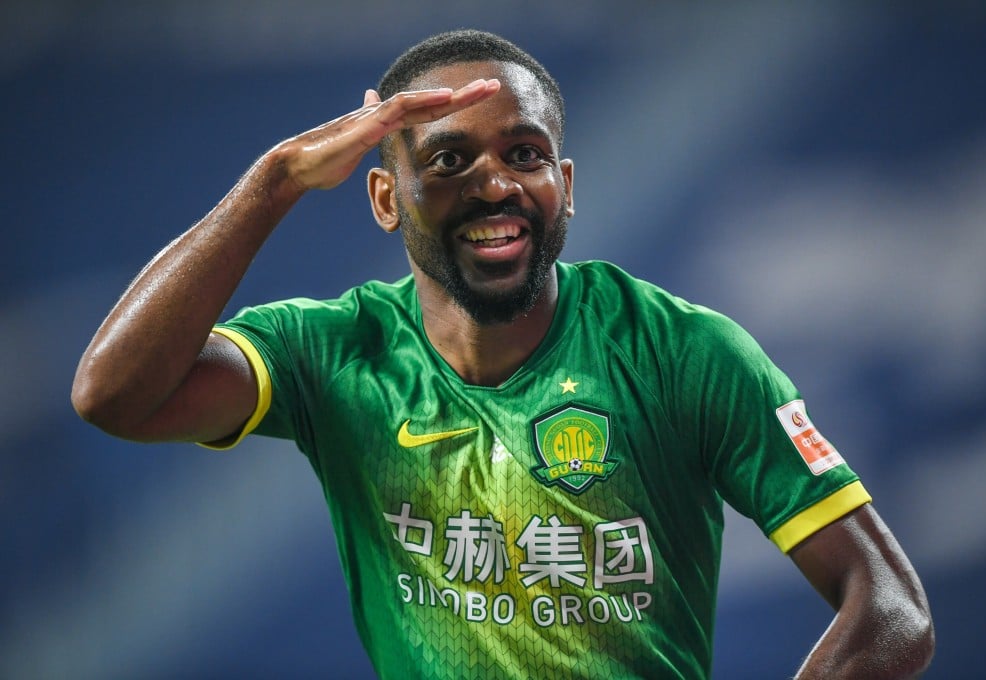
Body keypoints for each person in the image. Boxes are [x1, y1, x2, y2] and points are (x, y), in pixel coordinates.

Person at [72, 29, 934, 679]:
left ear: (566, 186)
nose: (494, 184)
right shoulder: (330, 352)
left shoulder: (683, 352)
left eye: (524, 155)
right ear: (385, 197)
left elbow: (891, 607)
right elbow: (115, 396)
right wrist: (275, 184)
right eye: (449, 159)